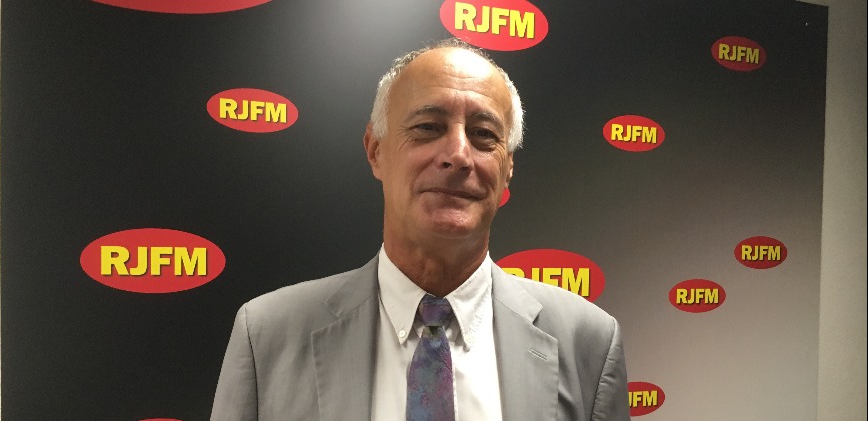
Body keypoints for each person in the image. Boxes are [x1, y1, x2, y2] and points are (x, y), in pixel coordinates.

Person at [210, 38, 630, 421]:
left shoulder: (588, 344)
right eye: (428, 127)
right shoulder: (267, 337)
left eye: (484, 134)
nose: (458, 154)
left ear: (508, 168)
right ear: (376, 151)